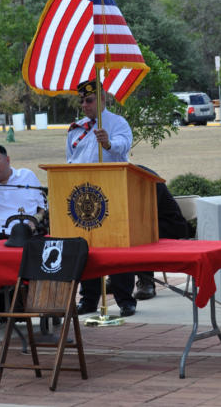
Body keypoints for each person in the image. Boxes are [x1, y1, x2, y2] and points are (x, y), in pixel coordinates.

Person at [66, 79, 136, 317]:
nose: (84, 105)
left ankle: (125, 299)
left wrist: (107, 142)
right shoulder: (77, 128)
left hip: (112, 192)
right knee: (86, 248)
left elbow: (124, 145)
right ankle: (89, 299)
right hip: (83, 195)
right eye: (82, 101)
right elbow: (70, 160)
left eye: (89, 100)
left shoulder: (117, 123)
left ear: (103, 99)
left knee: (117, 248)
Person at [130, 166, 190, 300]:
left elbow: (144, 213)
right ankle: (118, 277)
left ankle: (146, 281)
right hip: (151, 224)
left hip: (170, 226)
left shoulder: (146, 178)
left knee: (140, 234)